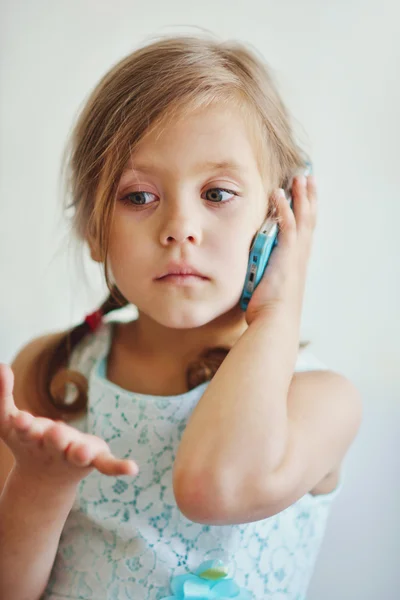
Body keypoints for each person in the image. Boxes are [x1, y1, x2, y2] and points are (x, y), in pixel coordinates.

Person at [0, 32, 363, 600]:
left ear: (280, 218)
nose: (180, 228)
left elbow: (215, 489)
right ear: (95, 230)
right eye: (139, 196)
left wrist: (275, 316)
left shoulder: (319, 401)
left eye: (217, 194)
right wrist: (42, 485)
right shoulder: (52, 371)